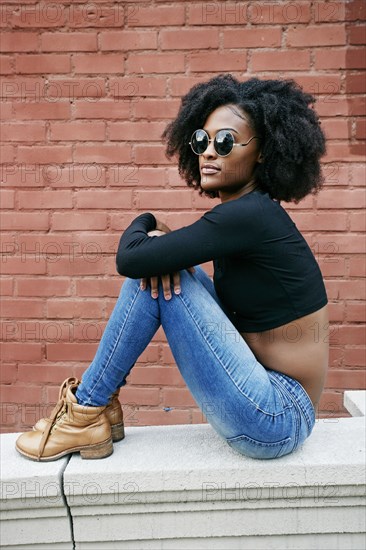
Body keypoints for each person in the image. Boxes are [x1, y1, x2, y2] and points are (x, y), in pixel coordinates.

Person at [16, 74, 329, 462]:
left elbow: (130, 259)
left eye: (225, 141)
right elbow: (151, 258)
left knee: (154, 277)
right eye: (201, 140)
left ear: (263, 152)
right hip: (270, 400)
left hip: (278, 417)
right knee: (165, 270)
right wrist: (161, 247)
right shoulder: (248, 214)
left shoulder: (248, 217)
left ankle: (87, 410)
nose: (209, 152)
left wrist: (147, 220)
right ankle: (98, 408)